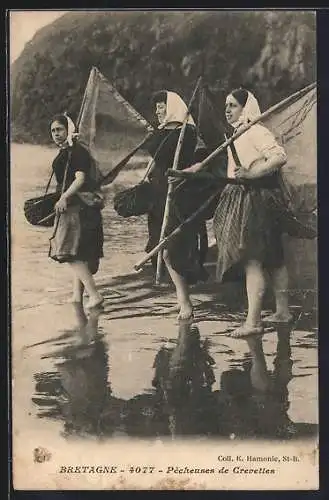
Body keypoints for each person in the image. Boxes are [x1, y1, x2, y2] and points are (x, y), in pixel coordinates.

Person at [184, 88, 293, 337]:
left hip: (256, 200)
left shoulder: (255, 130)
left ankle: (253, 322)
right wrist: (196, 168)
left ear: (246, 108)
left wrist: (253, 174)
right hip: (253, 198)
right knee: (273, 257)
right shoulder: (238, 134)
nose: (227, 110)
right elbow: (226, 163)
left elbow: (279, 157)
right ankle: (283, 312)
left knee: (251, 258)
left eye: (233, 105)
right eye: (226, 105)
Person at [145, 90, 207, 320]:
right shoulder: (159, 133)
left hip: (179, 192)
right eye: (157, 107)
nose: (158, 111)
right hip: (159, 192)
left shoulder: (188, 133)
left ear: (172, 106)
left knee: (173, 246)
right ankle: (183, 299)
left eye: (162, 106)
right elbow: (155, 160)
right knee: (159, 244)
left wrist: (184, 173)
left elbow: (202, 160)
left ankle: (185, 302)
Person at [48, 113, 104, 309]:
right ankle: (77, 296)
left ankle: (94, 295)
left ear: (68, 129)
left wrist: (63, 197)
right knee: (78, 253)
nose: (56, 134)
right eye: (53, 131)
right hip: (77, 208)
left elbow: (79, 179)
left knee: (69, 253)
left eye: (60, 129)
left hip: (79, 209)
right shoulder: (68, 152)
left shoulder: (77, 152)